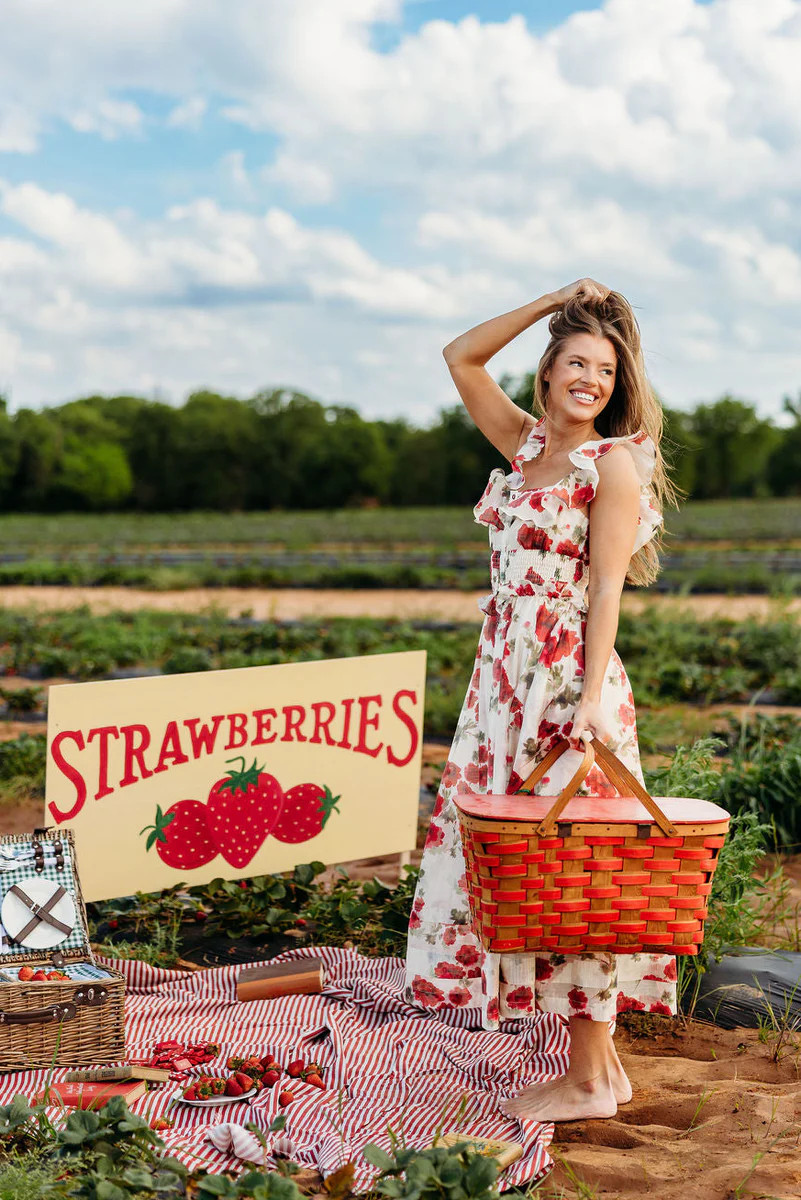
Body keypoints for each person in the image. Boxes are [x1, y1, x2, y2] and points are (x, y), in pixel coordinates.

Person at [404, 278, 681, 1122]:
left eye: (604, 369)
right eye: (575, 364)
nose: (590, 381)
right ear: (548, 372)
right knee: (522, 866)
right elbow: (459, 356)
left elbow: (604, 591)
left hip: (565, 685)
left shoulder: (612, 464)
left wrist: (590, 699)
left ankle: (593, 1076)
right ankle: (597, 1071)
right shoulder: (524, 450)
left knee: (575, 867)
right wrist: (554, 297)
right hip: (501, 686)